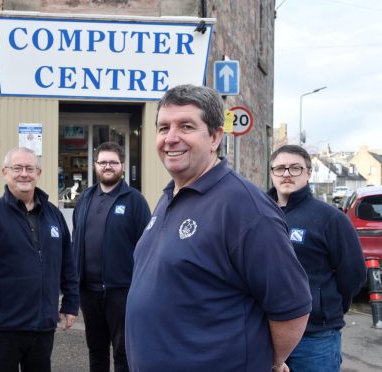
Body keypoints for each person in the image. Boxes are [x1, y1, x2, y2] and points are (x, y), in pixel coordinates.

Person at [125, 84, 312, 371]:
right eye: (163, 128)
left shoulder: (245, 207)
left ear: (214, 137)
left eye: (186, 126)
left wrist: (269, 361)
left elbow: (291, 307)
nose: (171, 138)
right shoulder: (168, 198)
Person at [0, 147, 79, 372]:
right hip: (3, 327)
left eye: (29, 168)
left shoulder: (54, 215)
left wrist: (71, 303)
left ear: (38, 173)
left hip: (43, 325)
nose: (24, 174)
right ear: (5, 172)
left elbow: (68, 264)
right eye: (17, 168)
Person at [268, 145, 366, 372]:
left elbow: (353, 273)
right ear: (271, 172)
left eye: (295, 168)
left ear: (308, 173)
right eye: (280, 168)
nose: (287, 174)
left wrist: (327, 305)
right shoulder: (257, 212)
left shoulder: (330, 219)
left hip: (314, 337)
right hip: (265, 332)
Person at [72, 142, 151, 372]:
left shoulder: (135, 201)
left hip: (122, 291)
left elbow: (147, 248)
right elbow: (77, 240)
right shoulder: (85, 198)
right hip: (88, 291)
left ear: (122, 166)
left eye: (113, 162)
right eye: (103, 162)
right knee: (96, 350)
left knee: (123, 352)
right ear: (95, 165)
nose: (108, 166)